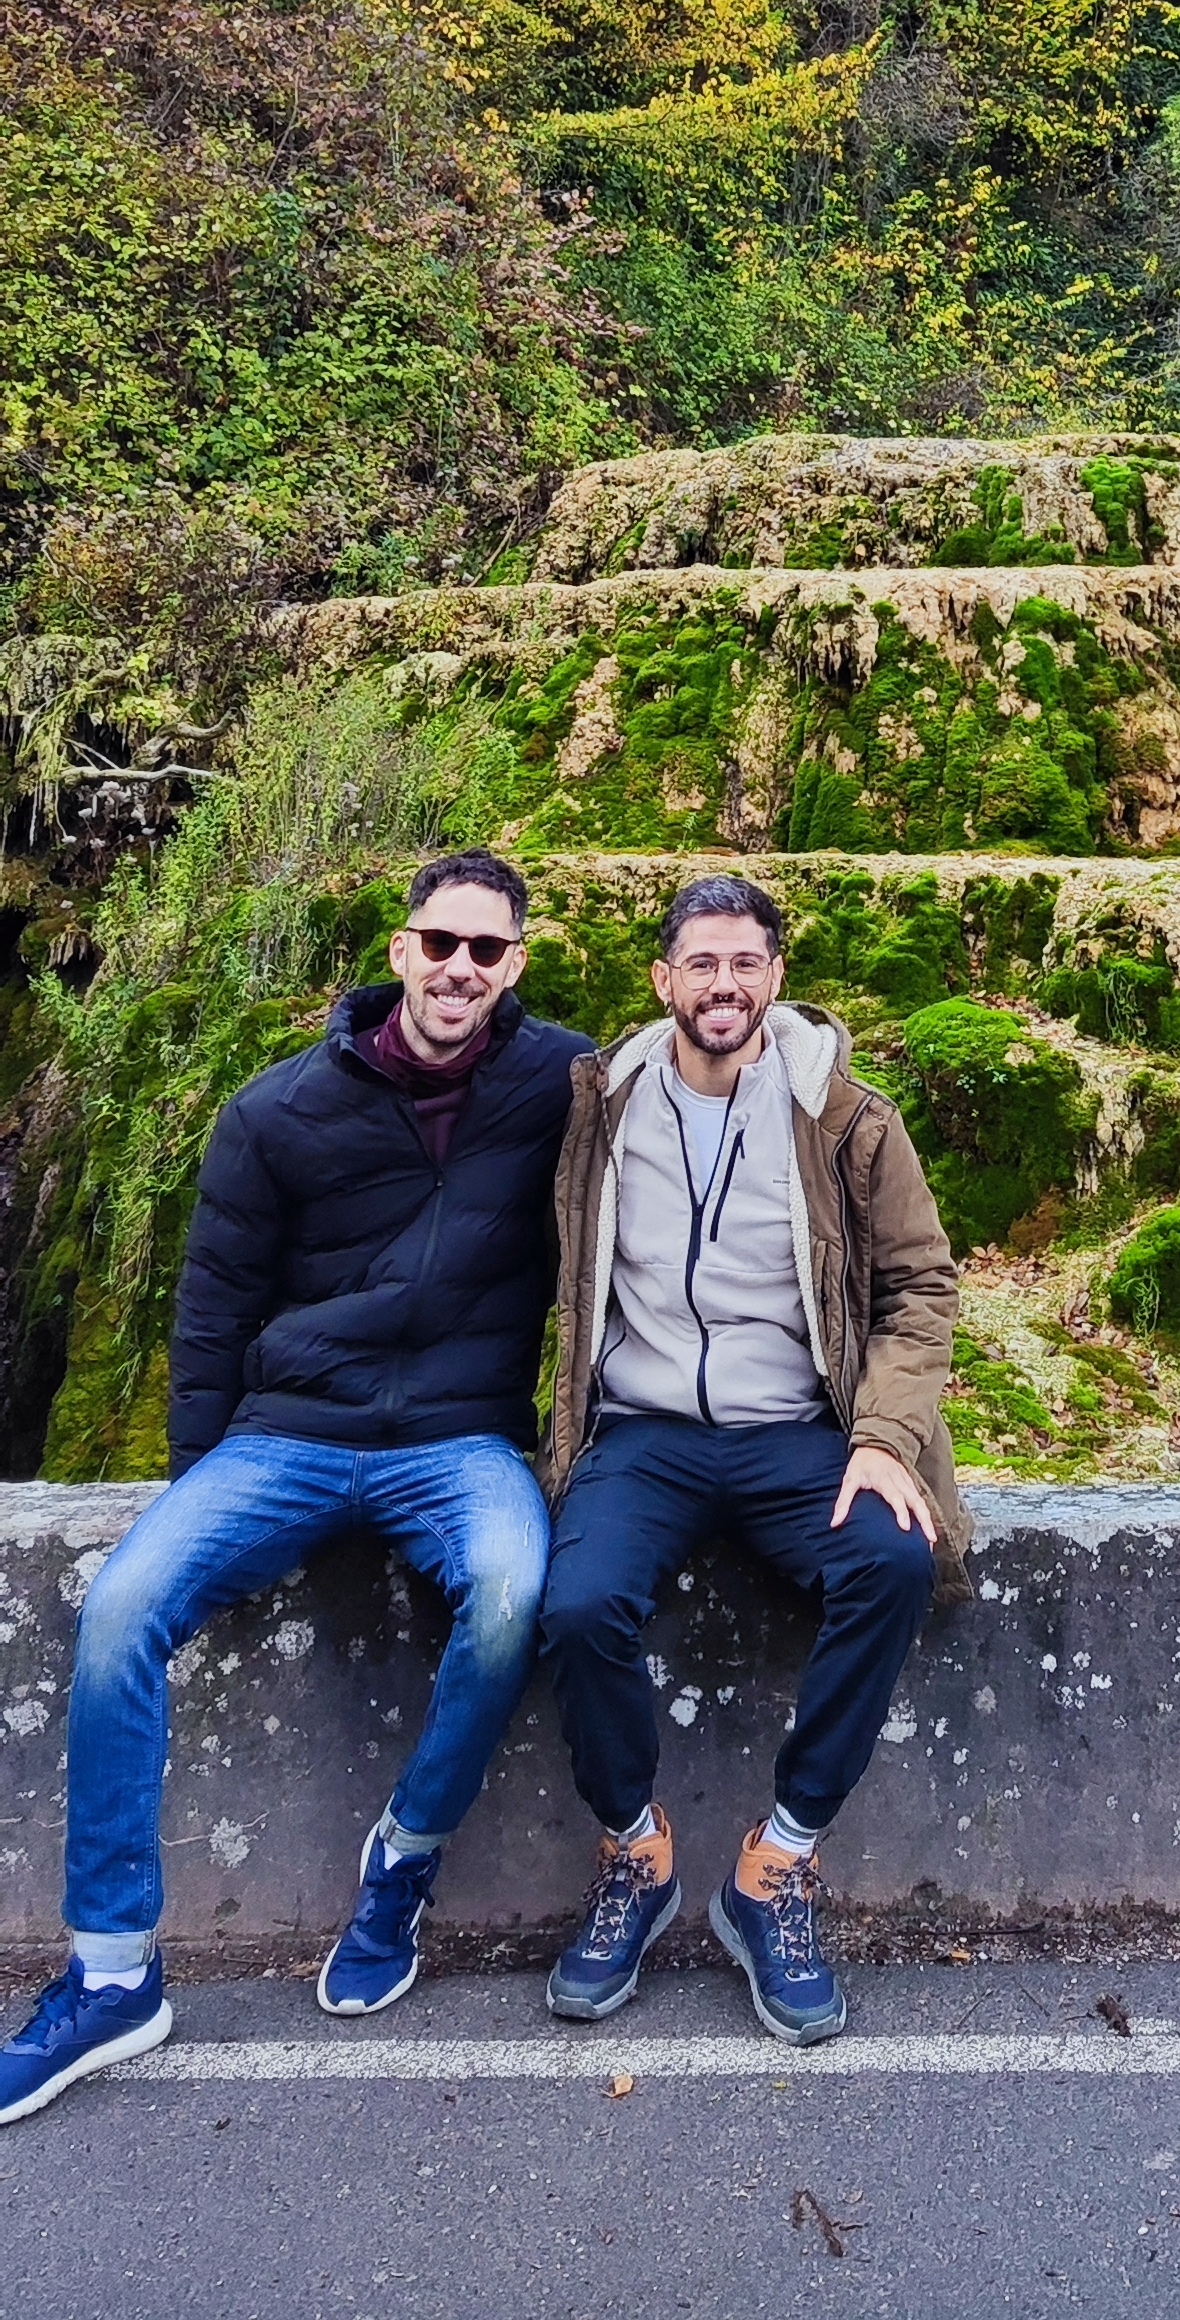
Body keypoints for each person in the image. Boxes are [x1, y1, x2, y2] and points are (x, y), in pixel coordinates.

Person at [0, 849, 589, 2126]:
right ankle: (111, 1974)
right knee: (121, 1609)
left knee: (514, 1588)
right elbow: (211, 1309)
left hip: (459, 1440)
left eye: (488, 951)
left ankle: (403, 1865)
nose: (461, 970)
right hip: (287, 1437)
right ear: (399, 949)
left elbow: (725, 1070)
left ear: (517, 965)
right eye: (442, 943)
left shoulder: (566, 1081)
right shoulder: (275, 1110)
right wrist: (198, 1484)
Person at [537, 871, 962, 2045]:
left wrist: (882, 1440)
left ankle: (776, 1865)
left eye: (746, 964)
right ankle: (638, 1850)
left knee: (893, 1560)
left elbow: (922, 1288)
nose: (724, 985)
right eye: (701, 965)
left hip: (796, 1431)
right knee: (573, 1606)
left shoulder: (849, 1118)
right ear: (664, 980)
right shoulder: (597, 1105)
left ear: (777, 976)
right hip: (645, 1429)